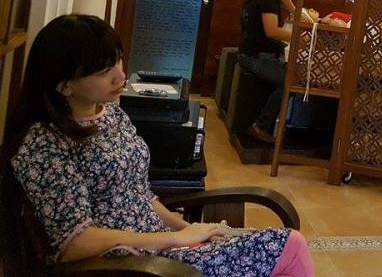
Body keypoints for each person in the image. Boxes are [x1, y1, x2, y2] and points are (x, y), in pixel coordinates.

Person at [0, 14, 313, 276]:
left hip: (159, 249)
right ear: (64, 85)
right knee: (290, 247)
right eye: (105, 71)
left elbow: (142, 196)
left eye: (118, 60)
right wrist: (175, 240)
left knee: (285, 247)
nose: (120, 76)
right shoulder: (44, 144)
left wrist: (189, 231)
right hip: (129, 266)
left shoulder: (111, 114)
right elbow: (76, 242)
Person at [240, 0, 297, 143]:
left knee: (292, 72)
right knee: (291, 82)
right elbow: (272, 31)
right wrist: (300, 37)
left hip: (258, 53)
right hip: (254, 56)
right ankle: (259, 126)